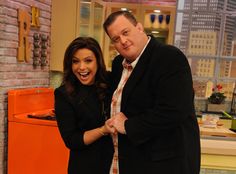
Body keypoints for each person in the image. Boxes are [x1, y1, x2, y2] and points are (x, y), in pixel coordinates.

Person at [103, 11, 201, 174]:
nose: (123, 41)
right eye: (116, 39)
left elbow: (173, 111)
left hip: (164, 165)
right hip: (128, 161)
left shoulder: (169, 57)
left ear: (139, 28)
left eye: (125, 32)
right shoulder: (118, 63)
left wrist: (128, 125)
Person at [54, 37, 114, 174]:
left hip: (116, 162)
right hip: (86, 166)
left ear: (98, 62)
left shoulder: (111, 81)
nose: (81, 67)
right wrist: (102, 130)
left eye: (88, 60)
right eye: (75, 61)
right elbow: (72, 140)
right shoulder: (63, 94)